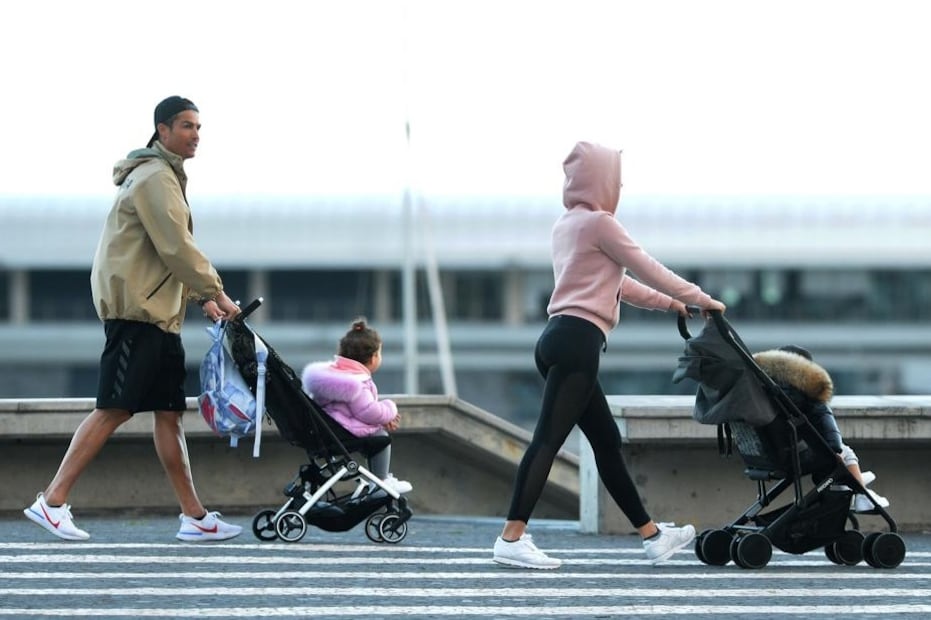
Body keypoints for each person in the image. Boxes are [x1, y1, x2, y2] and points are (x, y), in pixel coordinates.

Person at [493, 141, 727, 569]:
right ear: (601, 181)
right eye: (616, 178)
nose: (619, 186)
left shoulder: (567, 225)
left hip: (555, 338)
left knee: (605, 442)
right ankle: (512, 537)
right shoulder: (601, 224)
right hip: (579, 342)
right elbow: (645, 265)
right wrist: (702, 298)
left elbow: (617, 284)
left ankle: (652, 536)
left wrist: (672, 304)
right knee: (548, 439)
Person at [23, 96, 243, 542]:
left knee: (168, 414)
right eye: (186, 126)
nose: (195, 134)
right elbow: (176, 247)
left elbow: (165, 253)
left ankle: (194, 516)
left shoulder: (165, 177)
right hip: (137, 314)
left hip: (159, 316)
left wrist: (201, 300)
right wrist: (216, 292)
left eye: (199, 126)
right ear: (162, 131)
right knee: (114, 408)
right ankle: (52, 501)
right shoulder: (154, 179)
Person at [754, 344, 890, 513]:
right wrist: (836, 450)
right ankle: (861, 493)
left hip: (767, 455)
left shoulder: (764, 391)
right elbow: (826, 424)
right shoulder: (810, 391)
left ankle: (852, 485)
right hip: (795, 457)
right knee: (844, 454)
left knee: (835, 465)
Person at [301, 317, 413, 495]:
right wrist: (390, 409)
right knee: (381, 437)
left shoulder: (335, 377)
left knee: (377, 430)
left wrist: (381, 419)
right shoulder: (356, 383)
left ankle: (378, 480)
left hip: (331, 429)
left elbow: (355, 412)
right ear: (373, 357)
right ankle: (381, 482)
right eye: (380, 353)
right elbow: (369, 412)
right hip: (342, 433)